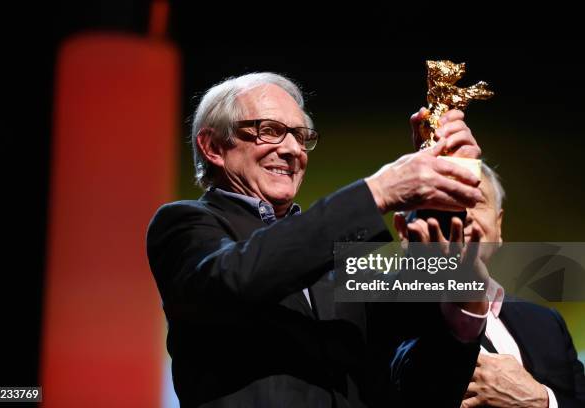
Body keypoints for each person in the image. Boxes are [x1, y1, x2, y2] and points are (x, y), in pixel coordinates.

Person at [146, 72, 489, 407]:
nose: (293, 149)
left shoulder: (339, 261)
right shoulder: (185, 224)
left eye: (300, 135)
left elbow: (418, 382)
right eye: (271, 131)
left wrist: (440, 192)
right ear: (213, 146)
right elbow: (234, 280)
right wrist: (380, 191)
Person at [394, 163, 585, 408]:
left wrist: (543, 401)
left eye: (476, 199)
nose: (464, 213)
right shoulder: (371, 313)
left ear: (499, 225)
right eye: (447, 198)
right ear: (403, 230)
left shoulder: (547, 324)